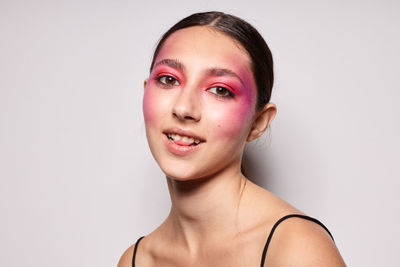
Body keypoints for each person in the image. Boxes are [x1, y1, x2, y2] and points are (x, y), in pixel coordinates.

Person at [118, 11, 346, 267]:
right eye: (169, 79)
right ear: (145, 90)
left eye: (220, 90)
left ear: (259, 122)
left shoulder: (296, 249)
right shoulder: (136, 260)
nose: (184, 108)